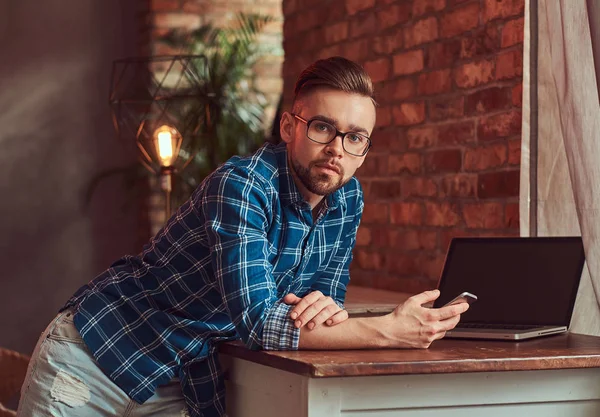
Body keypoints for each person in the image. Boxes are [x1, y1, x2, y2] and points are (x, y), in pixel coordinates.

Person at [16, 56, 468, 417]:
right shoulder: (243, 185)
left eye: (356, 138)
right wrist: (390, 331)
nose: (336, 149)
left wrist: (327, 309)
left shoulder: (347, 200)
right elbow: (259, 321)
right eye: (323, 127)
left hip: (177, 382)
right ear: (290, 127)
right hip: (98, 356)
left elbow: (320, 306)